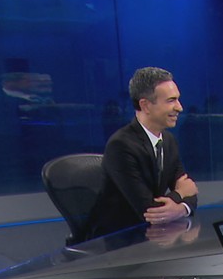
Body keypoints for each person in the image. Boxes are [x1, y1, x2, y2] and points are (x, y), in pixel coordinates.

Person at [85, 67, 198, 239]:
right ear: (145, 105)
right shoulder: (121, 146)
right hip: (118, 243)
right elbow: (150, 211)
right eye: (171, 101)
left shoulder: (168, 141)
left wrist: (181, 208)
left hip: (154, 238)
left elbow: (191, 192)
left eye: (178, 100)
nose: (180, 107)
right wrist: (180, 194)